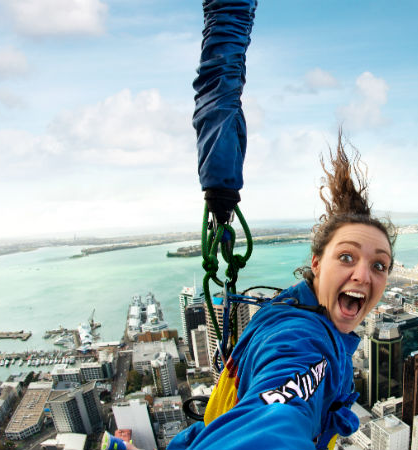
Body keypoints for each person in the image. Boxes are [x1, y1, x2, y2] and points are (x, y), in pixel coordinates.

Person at [166, 139, 396, 450]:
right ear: (316, 264)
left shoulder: (292, 309)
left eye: (379, 264)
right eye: (346, 257)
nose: (363, 275)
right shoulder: (303, 342)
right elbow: (271, 426)